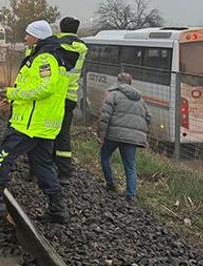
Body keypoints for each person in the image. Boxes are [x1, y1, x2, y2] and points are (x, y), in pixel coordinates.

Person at [0, 20, 70, 223]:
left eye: (28, 34)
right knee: (42, 166)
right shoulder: (53, 56)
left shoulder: (44, 59)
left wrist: (13, 93)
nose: (25, 38)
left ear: (37, 36)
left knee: (0, 157)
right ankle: (58, 209)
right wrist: (12, 100)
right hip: (43, 126)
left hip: (30, 125)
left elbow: (43, 89)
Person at [98, 72, 151, 204]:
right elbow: (149, 117)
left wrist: (101, 135)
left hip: (113, 135)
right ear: (130, 83)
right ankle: (131, 195)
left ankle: (110, 184)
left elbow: (105, 117)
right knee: (130, 165)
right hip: (132, 138)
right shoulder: (140, 100)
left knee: (105, 156)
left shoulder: (113, 95)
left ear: (118, 82)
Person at [53, 17, 88, 182]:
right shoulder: (82, 49)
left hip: (54, 96)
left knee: (48, 131)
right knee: (64, 134)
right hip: (70, 97)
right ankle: (65, 171)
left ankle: (47, 165)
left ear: (60, 28)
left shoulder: (54, 45)